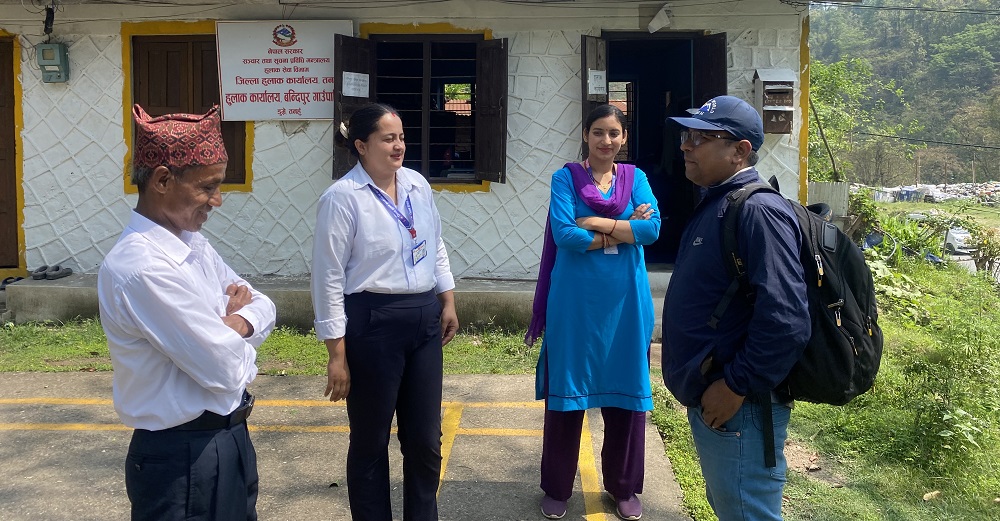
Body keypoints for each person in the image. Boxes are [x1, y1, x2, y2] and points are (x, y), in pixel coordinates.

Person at [98, 104, 277, 520]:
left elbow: (265, 303)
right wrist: (236, 334)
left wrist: (234, 323)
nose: (218, 200)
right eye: (207, 187)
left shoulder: (191, 243)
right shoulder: (142, 267)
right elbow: (224, 369)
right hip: (180, 457)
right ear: (162, 180)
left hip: (228, 439)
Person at [661, 95, 810, 521]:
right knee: (732, 507)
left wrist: (736, 385)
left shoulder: (758, 211)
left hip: (739, 407)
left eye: (700, 138)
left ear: (739, 151)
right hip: (719, 403)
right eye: (686, 135)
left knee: (746, 511)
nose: (685, 145)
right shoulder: (718, 201)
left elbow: (786, 318)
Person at [311, 103, 459, 521]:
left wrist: (446, 298)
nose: (399, 146)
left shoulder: (417, 185)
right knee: (371, 441)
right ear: (361, 146)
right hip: (372, 323)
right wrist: (336, 353)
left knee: (426, 440)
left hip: (424, 318)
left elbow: (434, 242)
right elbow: (328, 277)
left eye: (401, 137)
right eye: (388, 138)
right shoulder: (342, 198)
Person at [526, 104, 661, 520]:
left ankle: (624, 487)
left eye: (614, 133)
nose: (606, 140)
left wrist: (596, 223)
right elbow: (565, 234)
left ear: (624, 138)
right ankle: (557, 486)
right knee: (568, 394)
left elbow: (652, 230)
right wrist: (624, 226)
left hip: (626, 303)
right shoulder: (565, 178)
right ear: (586, 135)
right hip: (575, 303)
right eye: (598, 132)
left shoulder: (636, 178)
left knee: (626, 395)